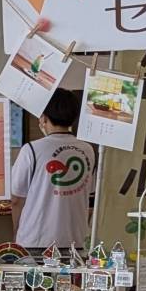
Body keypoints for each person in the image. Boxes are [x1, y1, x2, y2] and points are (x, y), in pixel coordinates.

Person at [8, 87, 95, 250]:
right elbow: (89, 197)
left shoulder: (32, 150)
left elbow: (16, 199)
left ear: (44, 117)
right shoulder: (88, 150)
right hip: (75, 242)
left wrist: (16, 231)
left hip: (35, 241)